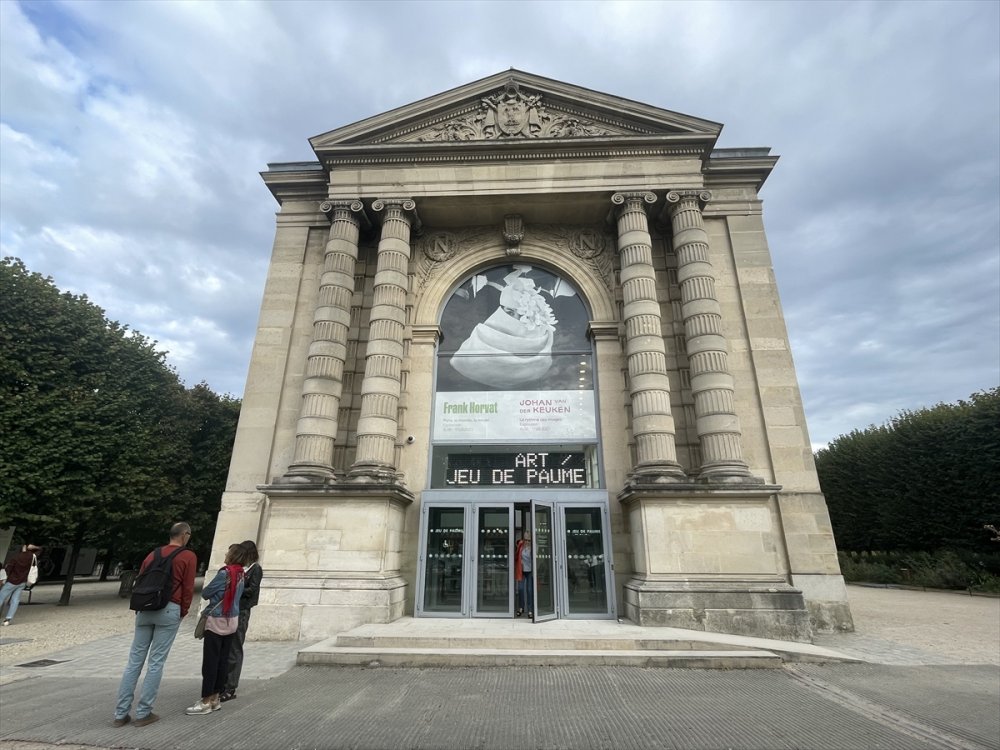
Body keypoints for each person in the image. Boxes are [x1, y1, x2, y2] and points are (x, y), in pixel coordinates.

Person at [113, 522, 197, 728]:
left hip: (145, 609)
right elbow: (187, 588)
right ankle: (143, 712)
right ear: (185, 535)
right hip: (169, 609)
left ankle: (120, 713)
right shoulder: (188, 556)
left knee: (134, 662)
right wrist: (182, 611)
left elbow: (141, 580)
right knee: (156, 662)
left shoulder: (152, 554)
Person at [186, 544, 246, 716]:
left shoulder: (224, 574)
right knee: (223, 661)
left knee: (211, 662)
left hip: (218, 619)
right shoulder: (241, 574)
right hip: (232, 620)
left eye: (229, 552)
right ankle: (216, 698)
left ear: (233, 555)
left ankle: (205, 700)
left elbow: (206, 593)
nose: (226, 553)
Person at [220, 540, 262, 702]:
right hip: (231, 609)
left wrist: (235, 587)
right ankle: (223, 682)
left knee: (235, 647)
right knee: (227, 646)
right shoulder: (240, 569)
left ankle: (231, 686)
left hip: (242, 610)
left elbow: (253, 589)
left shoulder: (255, 569)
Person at [0, 544, 41, 626]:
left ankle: (7, 618)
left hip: (12, 581)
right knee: (15, 600)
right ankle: (8, 619)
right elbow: (40, 550)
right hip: (23, 581)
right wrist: (34, 547)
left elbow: (8, 569)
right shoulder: (32, 557)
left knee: (1, 597)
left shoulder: (16, 557)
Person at [514, 531, 533, 618]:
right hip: (521, 570)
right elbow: (517, 552)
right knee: (521, 589)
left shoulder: (533, 547)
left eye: (529, 540)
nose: (527, 542)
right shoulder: (521, 545)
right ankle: (521, 607)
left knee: (529, 590)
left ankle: (530, 609)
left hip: (530, 571)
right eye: (525, 540)